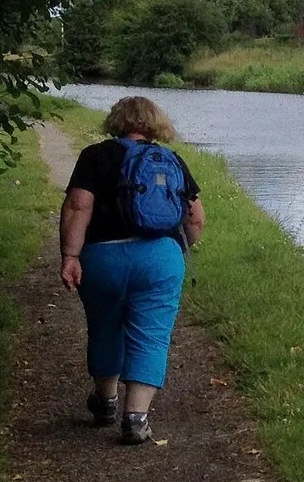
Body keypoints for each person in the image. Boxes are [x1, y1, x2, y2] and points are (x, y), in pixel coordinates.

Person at [59, 97, 205, 445]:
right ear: (156, 124)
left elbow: (79, 205)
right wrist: (183, 249)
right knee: (152, 334)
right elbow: (195, 218)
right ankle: (136, 418)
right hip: (159, 258)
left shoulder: (95, 156)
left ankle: (106, 402)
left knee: (105, 324)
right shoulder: (170, 160)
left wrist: (70, 255)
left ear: (116, 121)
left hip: (102, 258)